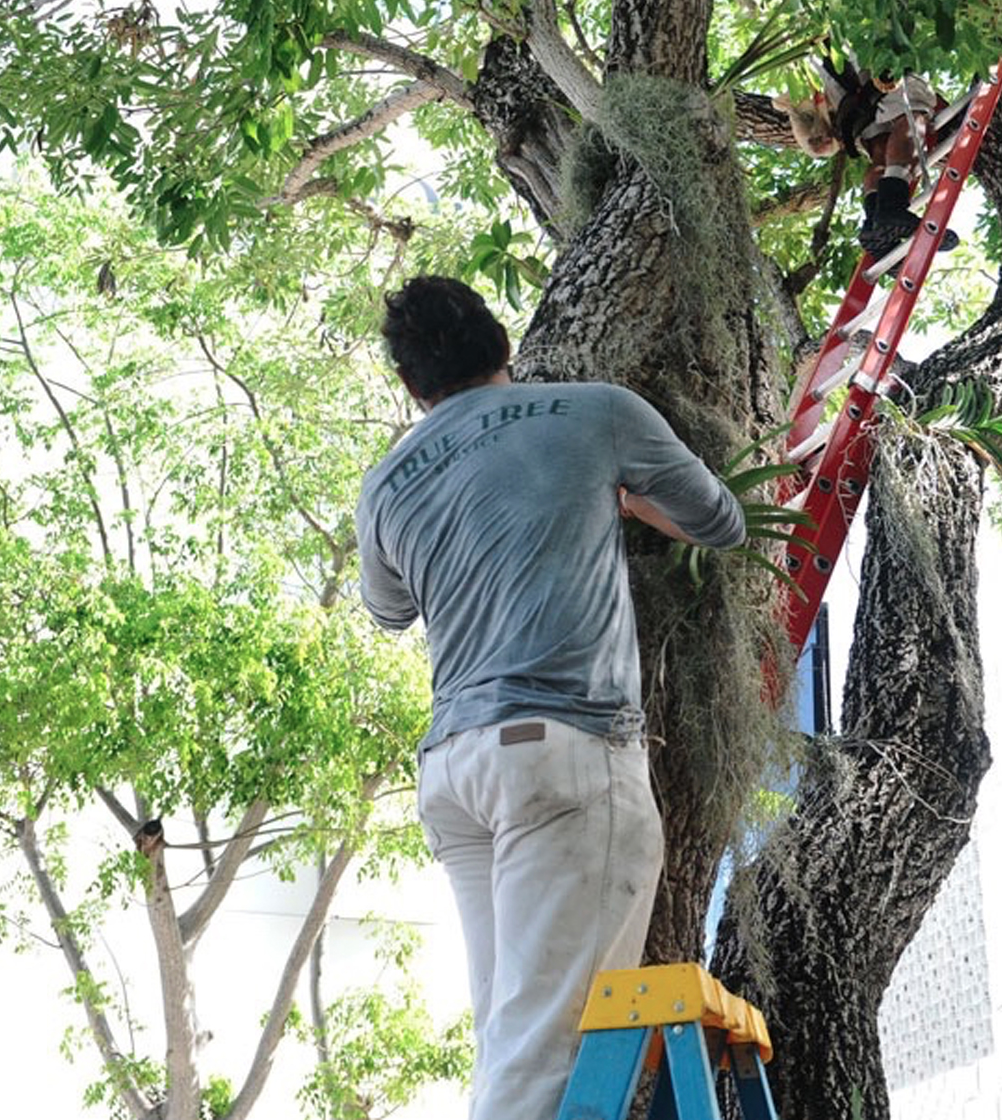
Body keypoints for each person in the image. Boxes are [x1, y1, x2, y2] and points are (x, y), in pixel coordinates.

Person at [355, 275, 746, 1120]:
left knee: (510, 1045)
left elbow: (388, 611)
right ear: (501, 342)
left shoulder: (385, 487)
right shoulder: (594, 412)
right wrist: (624, 501)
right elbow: (720, 521)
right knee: (539, 1067)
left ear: (410, 385)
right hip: (562, 756)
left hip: (455, 773)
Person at [776, 55, 962, 260]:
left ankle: (875, 221)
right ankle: (892, 207)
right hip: (865, 47)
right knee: (913, 108)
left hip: (837, 77)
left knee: (879, 147)